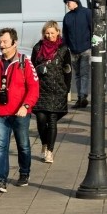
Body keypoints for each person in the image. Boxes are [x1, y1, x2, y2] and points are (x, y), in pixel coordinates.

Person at [0, 27, 40, 192]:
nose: (1, 45)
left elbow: (34, 87)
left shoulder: (24, 61)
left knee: (23, 145)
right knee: (1, 146)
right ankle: (0, 180)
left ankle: (24, 173)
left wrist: (26, 106)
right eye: (0, 42)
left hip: (20, 113)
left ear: (14, 43)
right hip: (0, 114)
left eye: (5, 42)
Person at [30, 21, 71, 164]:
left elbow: (68, 70)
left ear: (58, 33)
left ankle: (49, 152)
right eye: (47, 33)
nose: (50, 35)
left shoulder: (64, 49)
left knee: (52, 121)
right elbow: (32, 68)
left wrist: (67, 89)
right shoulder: (37, 48)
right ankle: (44, 143)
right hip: (40, 90)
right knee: (41, 120)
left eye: (52, 33)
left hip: (57, 90)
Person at [62, 0, 92, 109]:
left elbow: (93, 29)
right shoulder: (67, 17)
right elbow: (65, 35)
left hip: (85, 49)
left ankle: (82, 96)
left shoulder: (87, 13)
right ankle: (80, 97)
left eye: (68, 2)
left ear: (75, 2)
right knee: (77, 75)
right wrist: (65, 49)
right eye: (66, 3)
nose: (67, 4)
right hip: (73, 51)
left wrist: (93, 46)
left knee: (84, 74)